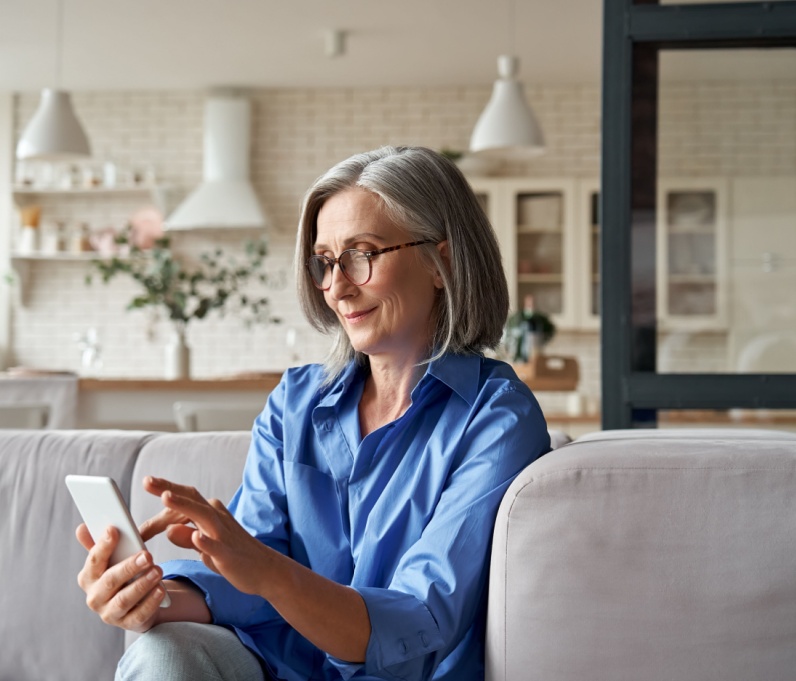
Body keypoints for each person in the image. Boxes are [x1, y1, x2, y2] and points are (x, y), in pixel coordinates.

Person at [76, 145, 551, 680]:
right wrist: (150, 594)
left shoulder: (496, 418)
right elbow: (251, 580)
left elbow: (420, 619)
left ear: (441, 262)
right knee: (161, 651)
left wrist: (267, 573)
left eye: (361, 254)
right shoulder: (295, 402)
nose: (337, 286)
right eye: (325, 261)